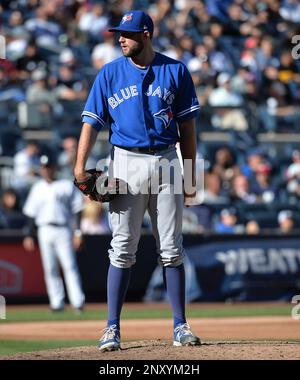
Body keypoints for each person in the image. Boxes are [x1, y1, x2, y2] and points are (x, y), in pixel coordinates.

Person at [74, 10, 201, 351]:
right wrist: (79, 166)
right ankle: (111, 328)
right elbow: (91, 122)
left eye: (127, 33)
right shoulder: (109, 72)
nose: (120, 39)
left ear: (145, 34)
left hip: (167, 159)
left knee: (172, 249)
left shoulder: (176, 70)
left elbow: (188, 129)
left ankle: (180, 326)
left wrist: (191, 176)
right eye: (119, 33)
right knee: (122, 249)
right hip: (125, 161)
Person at [23, 154, 85, 312]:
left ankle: (77, 302)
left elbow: (78, 209)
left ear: (55, 168)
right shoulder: (37, 187)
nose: (46, 170)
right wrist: (30, 234)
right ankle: (56, 303)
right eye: (44, 168)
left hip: (63, 229)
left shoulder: (65, 185)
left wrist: (78, 232)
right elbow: (31, 213)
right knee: (50, 268)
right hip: (44, 229)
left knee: (69, 266)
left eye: (49, 167)